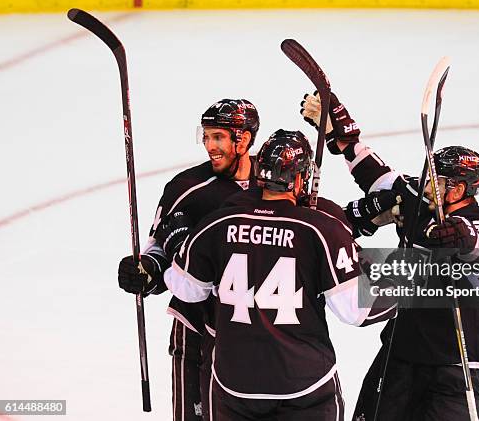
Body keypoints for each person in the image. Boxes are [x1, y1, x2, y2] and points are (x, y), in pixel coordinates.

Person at [162, 129, 397, 421]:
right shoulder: (319, 228)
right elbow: (356, 309)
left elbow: (186, 289)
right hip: (303, 389)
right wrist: (415, 277)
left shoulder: (219, 221)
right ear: (300, 178)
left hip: (234, 388)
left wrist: (178, 245)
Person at [302, 92, 479, 420]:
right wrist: (342, 136)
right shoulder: (418, 198)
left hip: (458, 363)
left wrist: (462, 237)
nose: (429, 184)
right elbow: (376, 175)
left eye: (440, 180)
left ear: (462, 190)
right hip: (402, 352)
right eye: (429, 175)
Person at [117, 99, 260, 421]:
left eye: (219, 137)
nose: (210, 146)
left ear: (244, 138)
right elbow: (158, 248)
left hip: (262, 331)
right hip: (196, 325)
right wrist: (148, 270)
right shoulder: (186, 188)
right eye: (206, 136)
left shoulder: (275, 185)